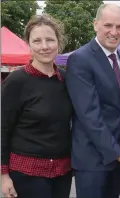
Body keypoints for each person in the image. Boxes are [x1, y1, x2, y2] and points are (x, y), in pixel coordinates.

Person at [65, 3, 120, 198]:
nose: (114, 32)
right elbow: (89, 116)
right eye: (108, 25)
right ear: (95, 24)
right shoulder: (80, 59)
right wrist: (119, 155)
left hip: (117, 154)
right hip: (92, 159)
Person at [1, 14, 72, 198]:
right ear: (29, 44)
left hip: (62, 172)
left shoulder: (67, 79)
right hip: (27, 174)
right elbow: (2, 129)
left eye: (50, 39)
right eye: (37, 41)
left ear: (58, 42)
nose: (44, 46)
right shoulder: (16, 81)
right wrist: (3, 175)